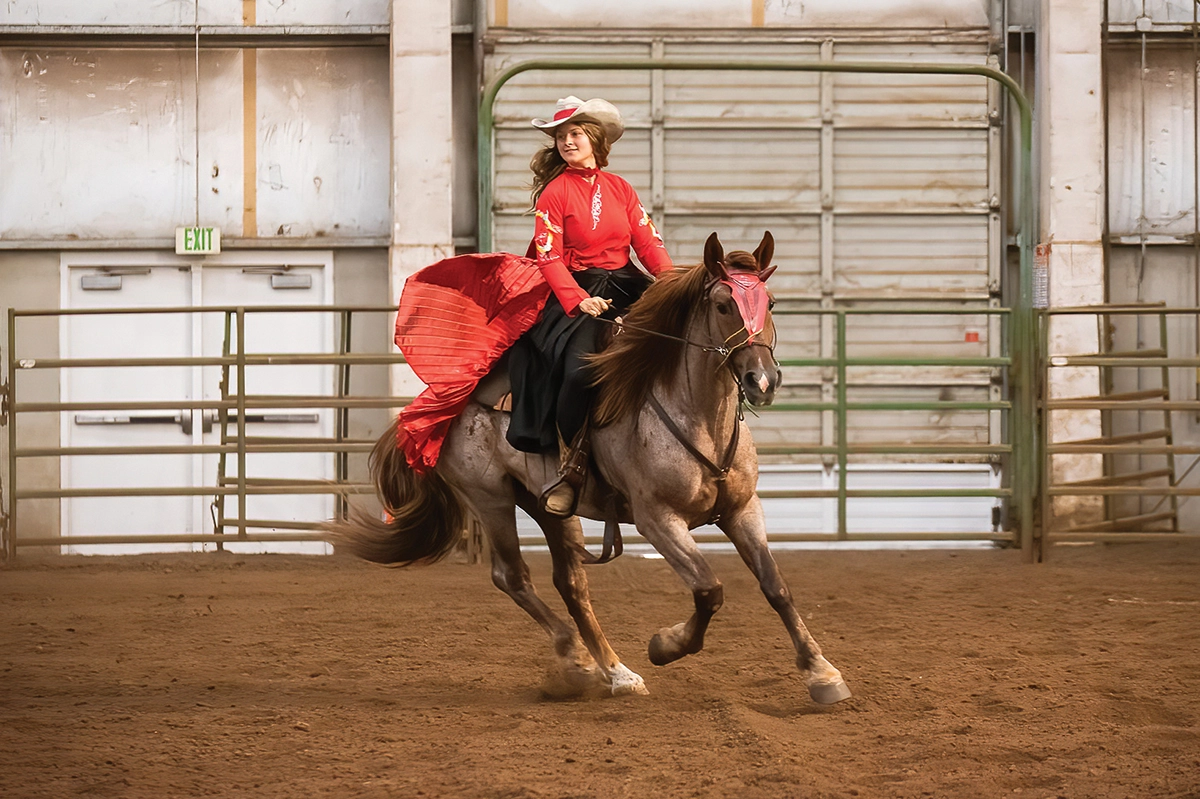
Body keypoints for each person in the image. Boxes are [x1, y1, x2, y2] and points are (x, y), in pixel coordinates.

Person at [505, 96, 674, 517]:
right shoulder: (554, 194)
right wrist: (579, 300)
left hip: (626, 284)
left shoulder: (622, 189)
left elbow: (648, 243)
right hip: (576, 290)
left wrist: (671, 284)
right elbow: (548, 256)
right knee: (579, 372)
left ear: (594, 139)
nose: (566, 142)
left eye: (574, 134)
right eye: (560, 136)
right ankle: (571, 468)